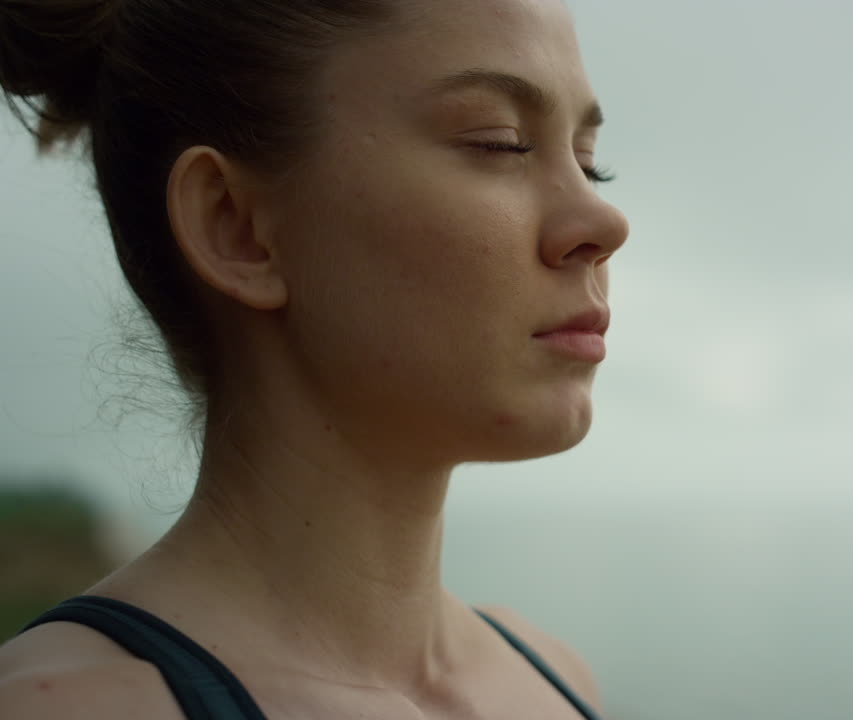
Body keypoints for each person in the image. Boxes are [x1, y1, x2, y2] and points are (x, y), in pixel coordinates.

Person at [0, 0, 628, 717]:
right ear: (235, 226)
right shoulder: (69, 706)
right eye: (501, 142)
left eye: (588, 162)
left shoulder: (556, 680)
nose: (604, 223)